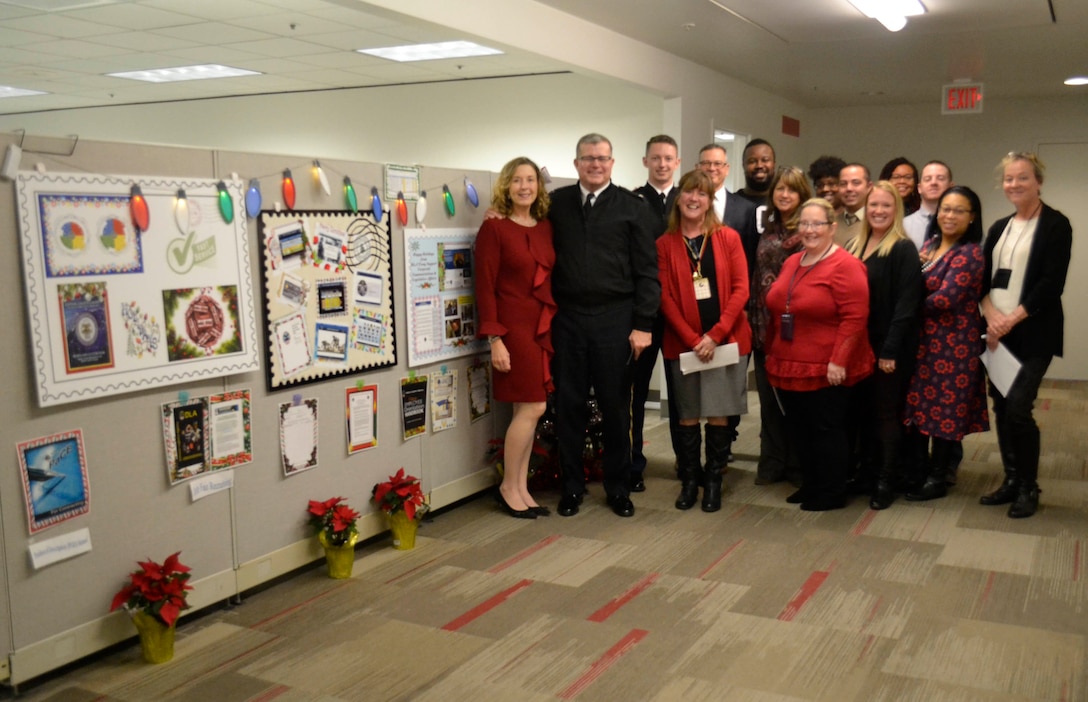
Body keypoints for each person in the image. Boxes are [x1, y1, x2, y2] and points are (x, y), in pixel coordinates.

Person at [550, 133, 661, 519]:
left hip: (616, 319)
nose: (595, 164)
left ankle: (618, 488)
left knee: (617, 409)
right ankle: (572, 488)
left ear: (613, 163)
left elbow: (648, 271)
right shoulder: (556, 203)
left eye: (602, 158)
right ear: (576, 163)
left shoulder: (633, 207)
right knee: (569, 407)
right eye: (587, 158)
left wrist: (643, 324)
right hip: (568, 319)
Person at [979, 152, 1072, 519]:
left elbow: (1052, 284)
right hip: (996, 333)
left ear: (1038, 182)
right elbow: (982, 279)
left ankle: (1029, 486)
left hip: (1033, 331)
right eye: (1008, 179)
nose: (1014, 185)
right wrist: (990, 316)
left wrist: (1010, 319)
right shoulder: (999, 227)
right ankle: (1012, 480)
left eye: (1022, 179)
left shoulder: (1055, 225)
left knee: (1018, 407)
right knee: (1002, 407)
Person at [765, 198, 874, 511]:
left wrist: (839, 359)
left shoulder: (846, 266)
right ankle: (812, 483)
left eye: (816, 224)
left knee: (826, 430)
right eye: (804, 223)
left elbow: (855, 318)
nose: (809, 230)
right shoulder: (793, 261)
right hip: (790, 363)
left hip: (826, 367)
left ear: (832, 228)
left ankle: (832, 491)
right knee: (800, 428)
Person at [657, 170, 751, 512]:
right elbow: (664, 297)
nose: (694, 199)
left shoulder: (728, 238)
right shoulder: (665, 244)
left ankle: (713, 481)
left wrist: (714, 335)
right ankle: (690, 480)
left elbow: (742, 289)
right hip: (683, 344)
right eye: (688, 192)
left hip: (724, 342)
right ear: (678, 198)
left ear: (710, 200)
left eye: (702, 193)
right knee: (686, 414)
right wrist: (694, 338)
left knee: (718, 413)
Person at [475, 157, 557, 519]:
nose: (525, 186)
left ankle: (521, 486)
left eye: (531, 180)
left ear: (539, 186)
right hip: (512, 330)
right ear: (506, 186)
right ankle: (509, 486)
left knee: (531, 409)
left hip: (541, 327)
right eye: (517, 180)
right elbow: (484, 287)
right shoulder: (494, 229)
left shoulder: (544, 227)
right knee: (532, 407)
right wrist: (494, 339)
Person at [903, 186, 989, 501]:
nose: (949, 216)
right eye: (945, 209)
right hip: (925, 343)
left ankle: (937, 478)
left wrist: (906, 304)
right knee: (920, 407)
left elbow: (946, 299)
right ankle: (920, 470)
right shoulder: (932, 243)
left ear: (972, 217)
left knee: (945, 411)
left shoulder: (970, 253)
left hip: (953, 347)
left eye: (958, 210)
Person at [844, 181, 923, 510]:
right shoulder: (854, 244)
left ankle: (886, 481)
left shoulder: (902, 248)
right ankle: (867, 473)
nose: (878, 211)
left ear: (897, 210)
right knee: (861, 413)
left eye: (886, 206)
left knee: (885, 415)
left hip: (888, 348)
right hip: (857, 346)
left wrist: (889, 351)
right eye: (873, 205)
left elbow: (907, 306)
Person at [750, 166, 812, 485]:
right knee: (768, 400)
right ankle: (772, 462)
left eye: (791, 190)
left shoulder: (809, 230)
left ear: (802, 194)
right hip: (764, 327)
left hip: (796, 331)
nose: (784, 195)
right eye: (779, 189)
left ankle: (798, 465)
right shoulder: (768, 227)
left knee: (796, 402)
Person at [631, 135, 682, 492]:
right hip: (642, 315)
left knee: (681, 391)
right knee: (634, 392)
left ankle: (686, 460)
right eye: (656, 158)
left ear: (677, 163)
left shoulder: (690, 200)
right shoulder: (631, 201)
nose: (662, 164)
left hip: (680, 314)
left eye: (668, 159)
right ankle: (633, 463)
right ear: (645, 161)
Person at [697, 144, 759, 272]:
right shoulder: (686, 205)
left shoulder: (746, 209)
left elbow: (751, 257)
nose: (712, 168)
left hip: (731, 284)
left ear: (727, 169)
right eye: (706, 163)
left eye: (718, 163)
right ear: (697, 168)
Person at [903, 161, 954, 250]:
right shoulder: (902, 226)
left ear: (951, 187)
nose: (933, 183)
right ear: (919, 188)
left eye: (940, 178)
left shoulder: (963, 225)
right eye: (927, 179)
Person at [835, 163, 872, 245]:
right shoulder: (831, 224)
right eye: (843, 184)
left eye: (856, 183)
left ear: (869, 187)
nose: (849, 188)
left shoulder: (876, 222)